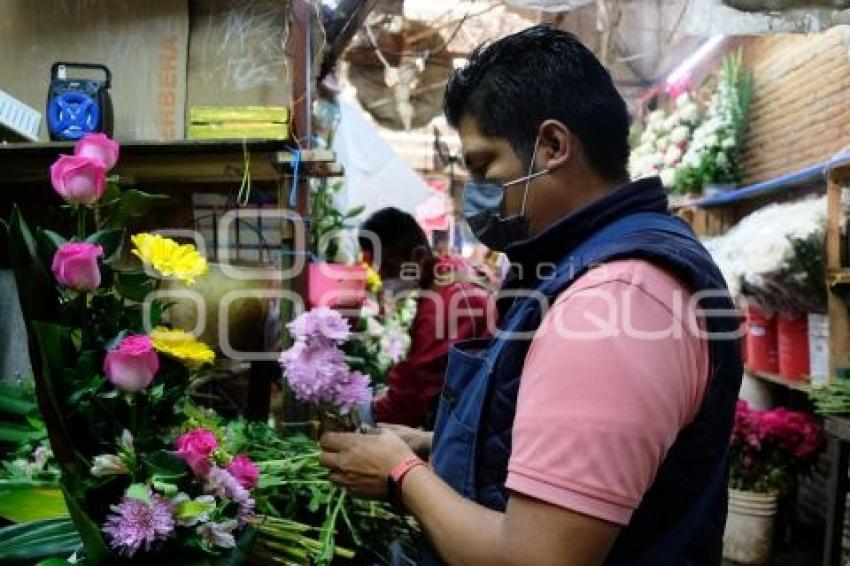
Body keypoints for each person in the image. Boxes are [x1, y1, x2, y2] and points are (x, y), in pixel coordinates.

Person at [320, 25, 742, 565]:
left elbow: (539, 556)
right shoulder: (580, 265)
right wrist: (433, 446)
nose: (475, 192)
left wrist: (401, 476)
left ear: (552, 146)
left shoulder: (613, 301)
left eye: (483, 165)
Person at [359, 207, 491, 429]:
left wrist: (366, 411)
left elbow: (417, 400)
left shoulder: (447, 305)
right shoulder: (448, 270)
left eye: (389, 268)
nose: (382, 278)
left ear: (418, 256)